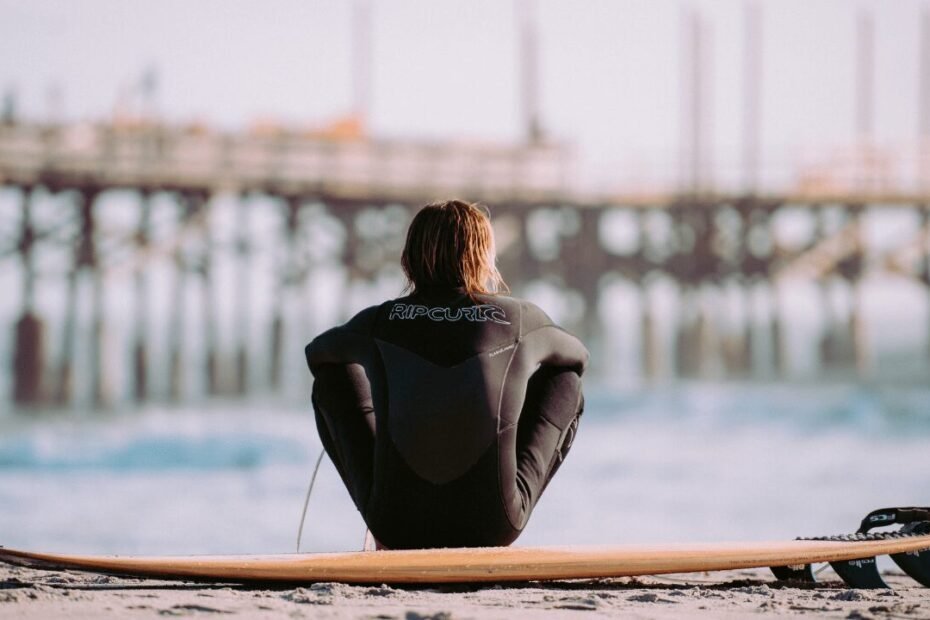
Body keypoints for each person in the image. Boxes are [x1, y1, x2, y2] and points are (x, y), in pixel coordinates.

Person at [305, 200, 588, 550]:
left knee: (331, 379)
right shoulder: (516, 318)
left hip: (396, 525)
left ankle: (381, 520)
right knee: (566, 380)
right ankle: (499, 491)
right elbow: (577, 357)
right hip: (492, 525)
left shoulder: (381, 321)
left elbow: (317, 354)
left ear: (409, 259)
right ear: (483, 257)